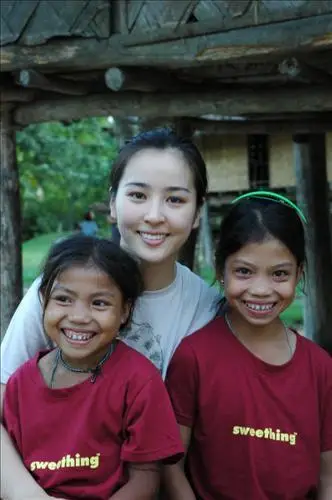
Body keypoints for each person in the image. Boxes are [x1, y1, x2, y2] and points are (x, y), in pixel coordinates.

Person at [0, 128, 220, 499]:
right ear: (114, 203)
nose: (154, 216)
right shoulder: (58, 292)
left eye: (175, 200)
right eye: (137, 195)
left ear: (197, 212)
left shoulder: (207, 309)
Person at [165, 192, 332, 500]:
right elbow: (172, 467)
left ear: (300, 274)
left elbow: (327, 474)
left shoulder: (321, 367)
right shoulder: (194, 357)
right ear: (220, 270)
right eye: (244, 271)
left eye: (279, 274)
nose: (260, 289)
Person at [2, 234, 184, 500]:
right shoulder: (21, 382)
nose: (78, 317)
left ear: (124, 311)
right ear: (43, 300)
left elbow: (145, 481)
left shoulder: (139, 381)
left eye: (99, 303)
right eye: (63, 299)